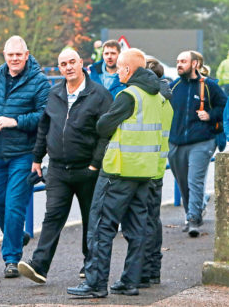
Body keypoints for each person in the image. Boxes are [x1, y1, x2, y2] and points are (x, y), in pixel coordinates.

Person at [68, 48, 169, 298]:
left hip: (119, 171)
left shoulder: (129, 95)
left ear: (127, 69)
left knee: (102, 227)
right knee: (137, 230)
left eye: (121, 68)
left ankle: (95, 283)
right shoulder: (158, 97)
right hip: (145, 173)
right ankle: (130, 281)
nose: (118, 72)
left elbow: (103, 126)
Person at [17, 49, 113, 284]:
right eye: (63, 64)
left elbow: (107, 133)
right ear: (59, 68)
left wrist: (94, 165)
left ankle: (90, 264)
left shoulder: (99, 95)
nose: (68, 67)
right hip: (58, 168)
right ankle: (39, 265)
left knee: (91, 219)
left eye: (72, 62)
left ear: (82, 63)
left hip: (87, 169)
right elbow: (44, 127)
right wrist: (37, 159)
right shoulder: (54, 93)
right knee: (52, 216)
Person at [0, 35, 51, 278]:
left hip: (23, 154)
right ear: (4, 55)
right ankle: (18, 236)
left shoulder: (39, 82)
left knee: (15, 206)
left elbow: (44, 116)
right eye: (10, 55)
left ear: (27, 55)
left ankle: (11, 258)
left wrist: (14, 121)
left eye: (19, 54)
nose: (14, 59)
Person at [169, 51, 226, 237]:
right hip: (176, 142)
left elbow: (225, 106)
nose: (179, 64)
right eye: (177, 61)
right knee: (183, 182)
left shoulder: (209, 86)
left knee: (195, 181)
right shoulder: (173, 87)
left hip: (202, 141)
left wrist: (211, 115)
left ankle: (193, 219)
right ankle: (194, 210)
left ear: (195, 64)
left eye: (183, 61)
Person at [140, 57, 173, 287]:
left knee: (143, 222)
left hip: (143, 167)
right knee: (153, 220)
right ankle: (153, 269)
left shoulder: (150, 101)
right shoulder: (166, 100)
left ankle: (144, 271)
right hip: (158, 166)